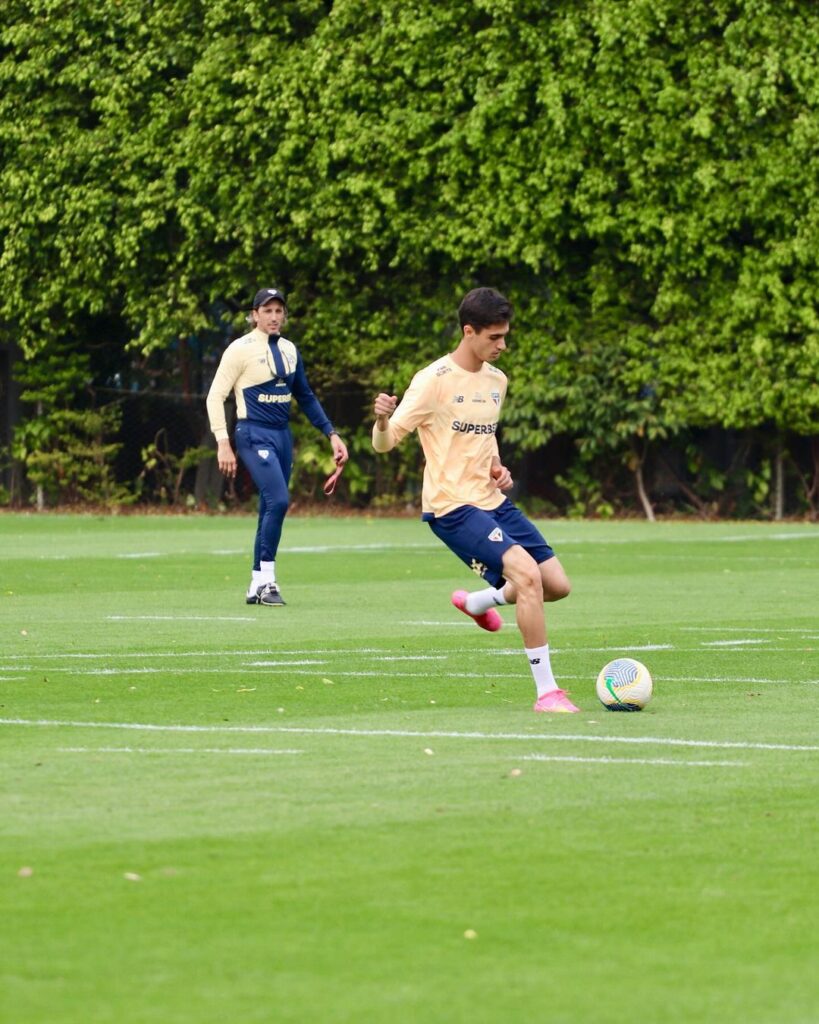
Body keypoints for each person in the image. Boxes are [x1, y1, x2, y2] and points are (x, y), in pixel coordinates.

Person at [371, 287, 578, 713]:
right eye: (495, 337)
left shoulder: (497, 380)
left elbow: (484, 437)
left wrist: (497, 467)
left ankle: (480, 601)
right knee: (527, 576)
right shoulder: (433, 381)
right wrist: (380, 419)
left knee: (557, 586)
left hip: (491, 500)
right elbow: (386, 444)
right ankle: (547, 693)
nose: (503, 345)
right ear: (469, 331)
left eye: (505, 336)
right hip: (453, 507)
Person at [207, 286, 348, 606]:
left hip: (282, 436)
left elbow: (306, 396)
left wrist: (332, 434)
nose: (273, 316)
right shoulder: (239, 349)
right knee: (280, 500)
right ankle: (269, 582)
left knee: (270, 506)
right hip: (252, 433)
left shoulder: (289, 350)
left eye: (278, 310)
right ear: (254, 315)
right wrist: (222, 443)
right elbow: (215, 396)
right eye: (266, 310)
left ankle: (256, 583)